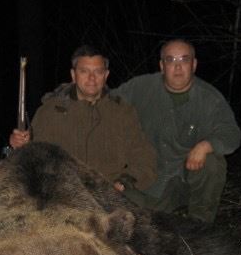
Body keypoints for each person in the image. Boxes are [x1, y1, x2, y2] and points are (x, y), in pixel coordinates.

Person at [112, 38, 241, 223]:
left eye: (184, 60)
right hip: (149, 179)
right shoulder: (140, 87)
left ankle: (199, 226)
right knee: (120, 208)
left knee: (212, 162)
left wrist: (206, 145)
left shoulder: (209, 98)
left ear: (194, 65)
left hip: (186, 178)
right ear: (162, 66)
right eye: (171, 60)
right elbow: (106, 107)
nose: (178, 67)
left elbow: (231, 133)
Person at [9, 45, 157, 192]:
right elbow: (32, 159)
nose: (92, 78)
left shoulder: (123, 112)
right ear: (73, 75)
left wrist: (122, 183)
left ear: (106, 75)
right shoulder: (49, 112)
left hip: (108, 194)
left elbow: (144, 159)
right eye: (84, 71)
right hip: (61, 195)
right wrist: (19, 145)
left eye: (98, 72)